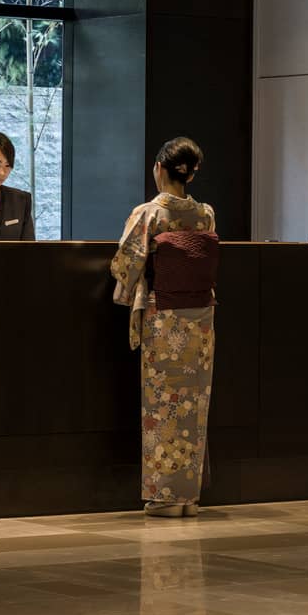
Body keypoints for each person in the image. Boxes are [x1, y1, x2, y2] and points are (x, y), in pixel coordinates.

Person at [110, 137, 220, 518]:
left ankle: (163, 496)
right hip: (202, 322)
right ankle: (187, 496)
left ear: (159, 168)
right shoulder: (205, 215)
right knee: (191, 408)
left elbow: (125, 265)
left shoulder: (150, 215)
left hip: (166, 319)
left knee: (162, 407)